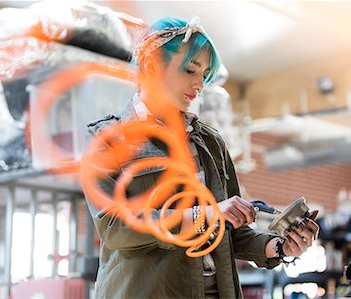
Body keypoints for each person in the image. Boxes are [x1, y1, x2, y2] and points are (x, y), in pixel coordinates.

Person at [84, 15, 319, 299]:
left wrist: (280, 247)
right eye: (190, 70)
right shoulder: (107, 139)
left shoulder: (210, 142)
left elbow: (232, 231)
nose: (200, 85)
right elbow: (117, 228)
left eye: (204, 74)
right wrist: (204, 214)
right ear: (150, 64)